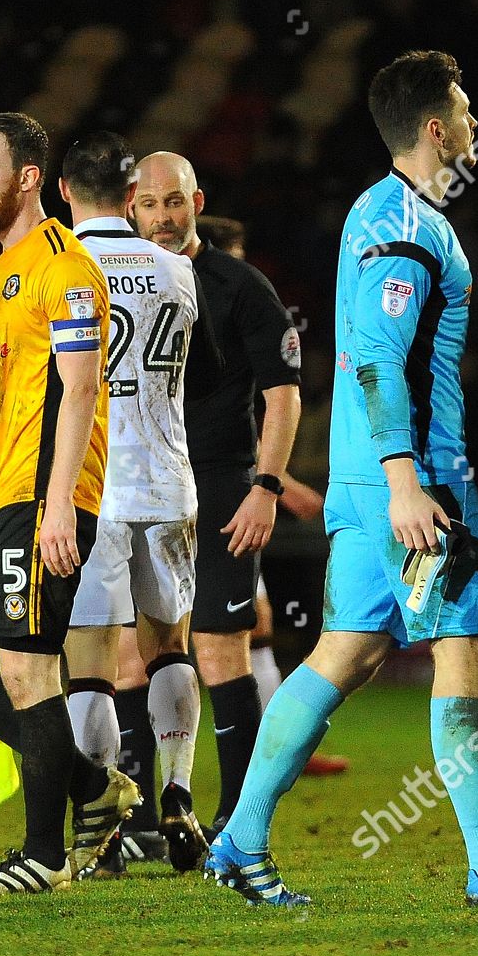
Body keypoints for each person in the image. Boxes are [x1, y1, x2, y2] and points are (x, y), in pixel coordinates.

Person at [204, 50, 478, 908]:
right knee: (468, 654)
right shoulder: (409, 228)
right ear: (433, 126)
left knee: (347, 650)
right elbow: (380, 357)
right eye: (462, 103)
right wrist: (407, 482)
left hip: (362, 476)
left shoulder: (383, 212)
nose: (474, 118)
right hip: (414, 480)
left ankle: (238, 837)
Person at [0, 112, 138, 894]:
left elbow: (81, 387)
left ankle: (44, 854)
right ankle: (89, 785)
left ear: (25, 178)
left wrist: (57, 508)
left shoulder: (67, 266)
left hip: (40, 496)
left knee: (27, 671)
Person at [127, 152, 304, 838]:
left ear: (196, 201)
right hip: (140, 488)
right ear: (130, 208)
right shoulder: (115, 282)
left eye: (175, 202)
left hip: (222, 484)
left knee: (222, 647)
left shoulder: (239, 286)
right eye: (149, 204)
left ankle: (238, 814)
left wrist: (265, 485)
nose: (164, 217)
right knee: (130, 652)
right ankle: (143, 817)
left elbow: (284, 396)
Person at [59, 132, 219, 875]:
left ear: (64, 191)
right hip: (169, 479)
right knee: (170, 647)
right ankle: (179, 791)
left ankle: (103, 829)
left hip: (95, 485)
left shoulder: (61, 267)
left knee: (88, 662)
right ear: (131, 198)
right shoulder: (177, 270)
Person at [199, 214, 348, 778]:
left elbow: (253, 423)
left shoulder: (240, 310)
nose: (237, 272)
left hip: (232, 488)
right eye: (230, 258)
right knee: (196, 639)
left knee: (244, 627)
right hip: (199, 491)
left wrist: (273, 487)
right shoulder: (196, 310)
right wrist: (284, 488)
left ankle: (271, 747)